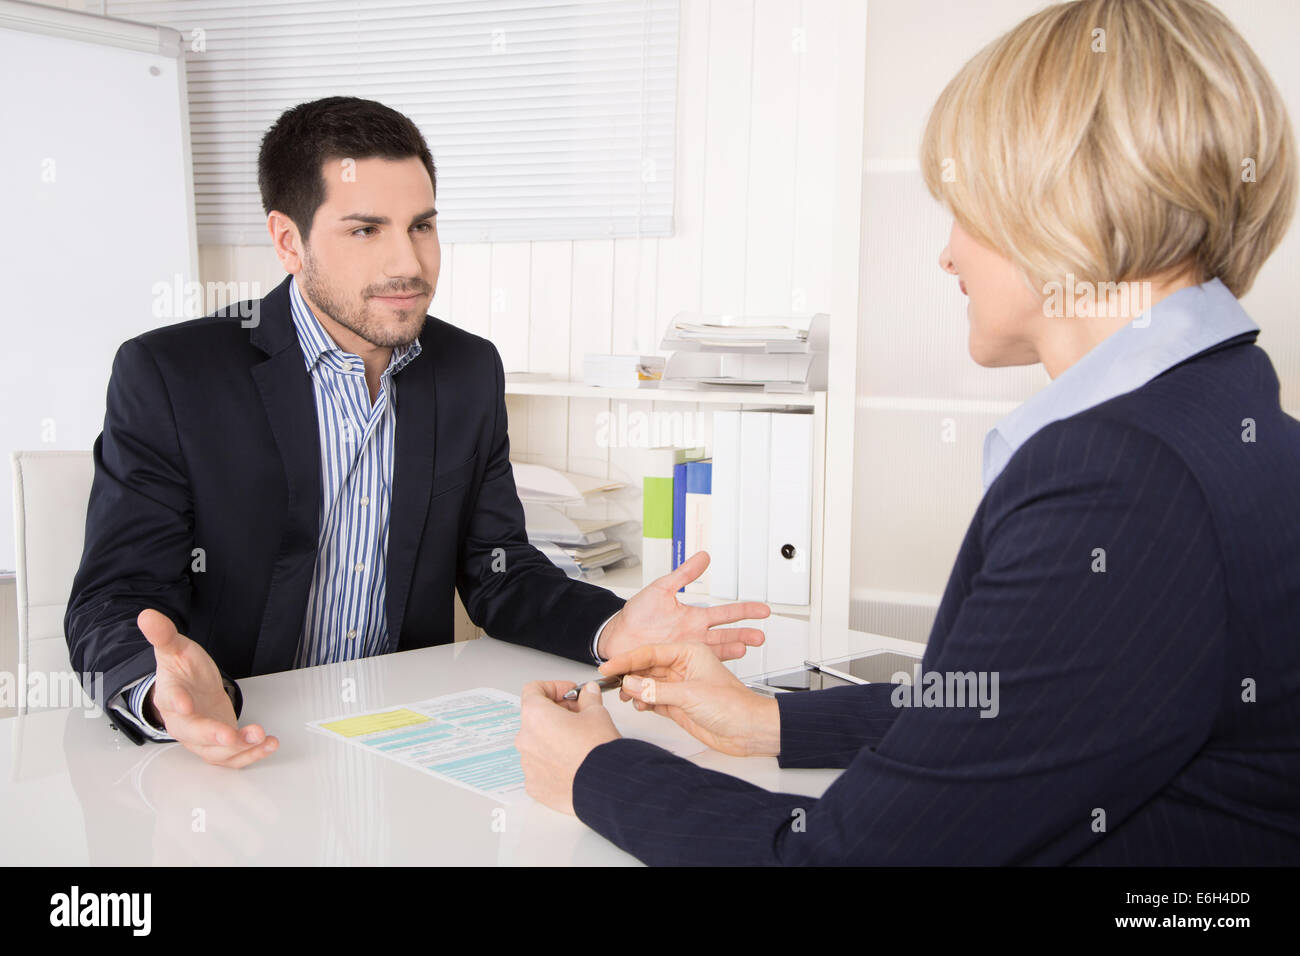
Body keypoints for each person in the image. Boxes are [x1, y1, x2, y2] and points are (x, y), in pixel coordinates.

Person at [515, 0, 1300, 864]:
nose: (948, 254)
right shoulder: (1222, 420)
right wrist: (764, 719)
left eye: (964, 208)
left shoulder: (1124, 477)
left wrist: (595, 772)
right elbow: (1025, 700)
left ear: (1063, 203)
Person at [65, 96, 769, 768]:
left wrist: (612, 628)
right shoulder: (171, 374)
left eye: (422, 226)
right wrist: (159, 693)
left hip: (406, 736)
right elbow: (115, 596)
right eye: (366, 230)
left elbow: (500, 572)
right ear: (288, 240)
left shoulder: (466, 369)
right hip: (245, 738)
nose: (409, 264)